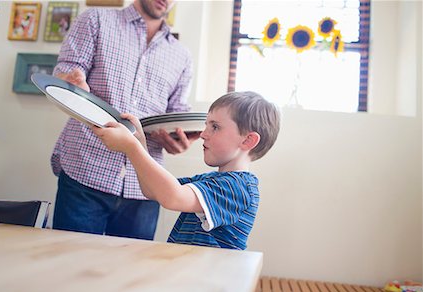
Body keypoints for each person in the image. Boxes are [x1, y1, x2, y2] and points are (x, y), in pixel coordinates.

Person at [51, 0, 199, 240]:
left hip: (144, 188)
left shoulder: (182, 56)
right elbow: (65, 73)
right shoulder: (95, 20)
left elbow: (176, 111)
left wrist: (180, 138)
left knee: (133, 274)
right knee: (69, 266)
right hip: (86, 172)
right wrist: (72, 83)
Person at [92, 91, 281, 250]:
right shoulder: (210, 181)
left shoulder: (237, 188)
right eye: (206, 125)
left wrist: (131, 147)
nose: (203, 134)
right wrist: (140, 144)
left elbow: (171, 197)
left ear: (247, 141)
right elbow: (153, 191)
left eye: (215, 127)